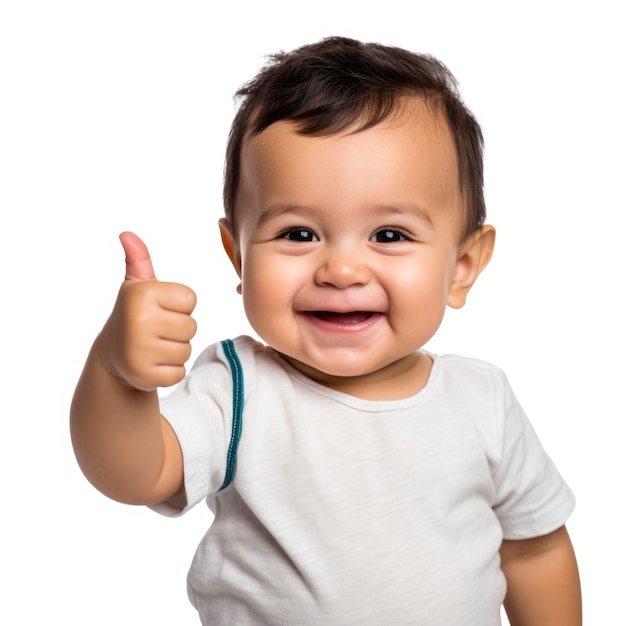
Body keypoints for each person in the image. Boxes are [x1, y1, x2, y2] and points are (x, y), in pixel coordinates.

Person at [70, 37, 582, 624]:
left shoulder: (483, 401)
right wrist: (115, 373)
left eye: (390, 235)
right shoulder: (237, 391)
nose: (340, 270)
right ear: (238, 258)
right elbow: (133, 473)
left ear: (460, 268)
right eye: (298, 233)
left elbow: (534, 548)